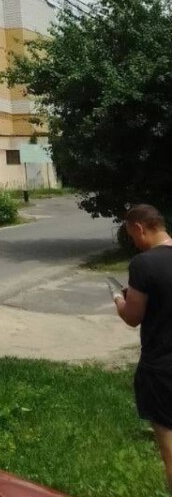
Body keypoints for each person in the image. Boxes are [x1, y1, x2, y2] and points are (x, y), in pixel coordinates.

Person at [114, 204, 172, 491]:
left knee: (171, 452)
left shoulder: (143, 264)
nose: (135, 243)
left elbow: (132, 317)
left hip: (162, 370)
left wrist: (119, 301)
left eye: (132, 236)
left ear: (140, 228)